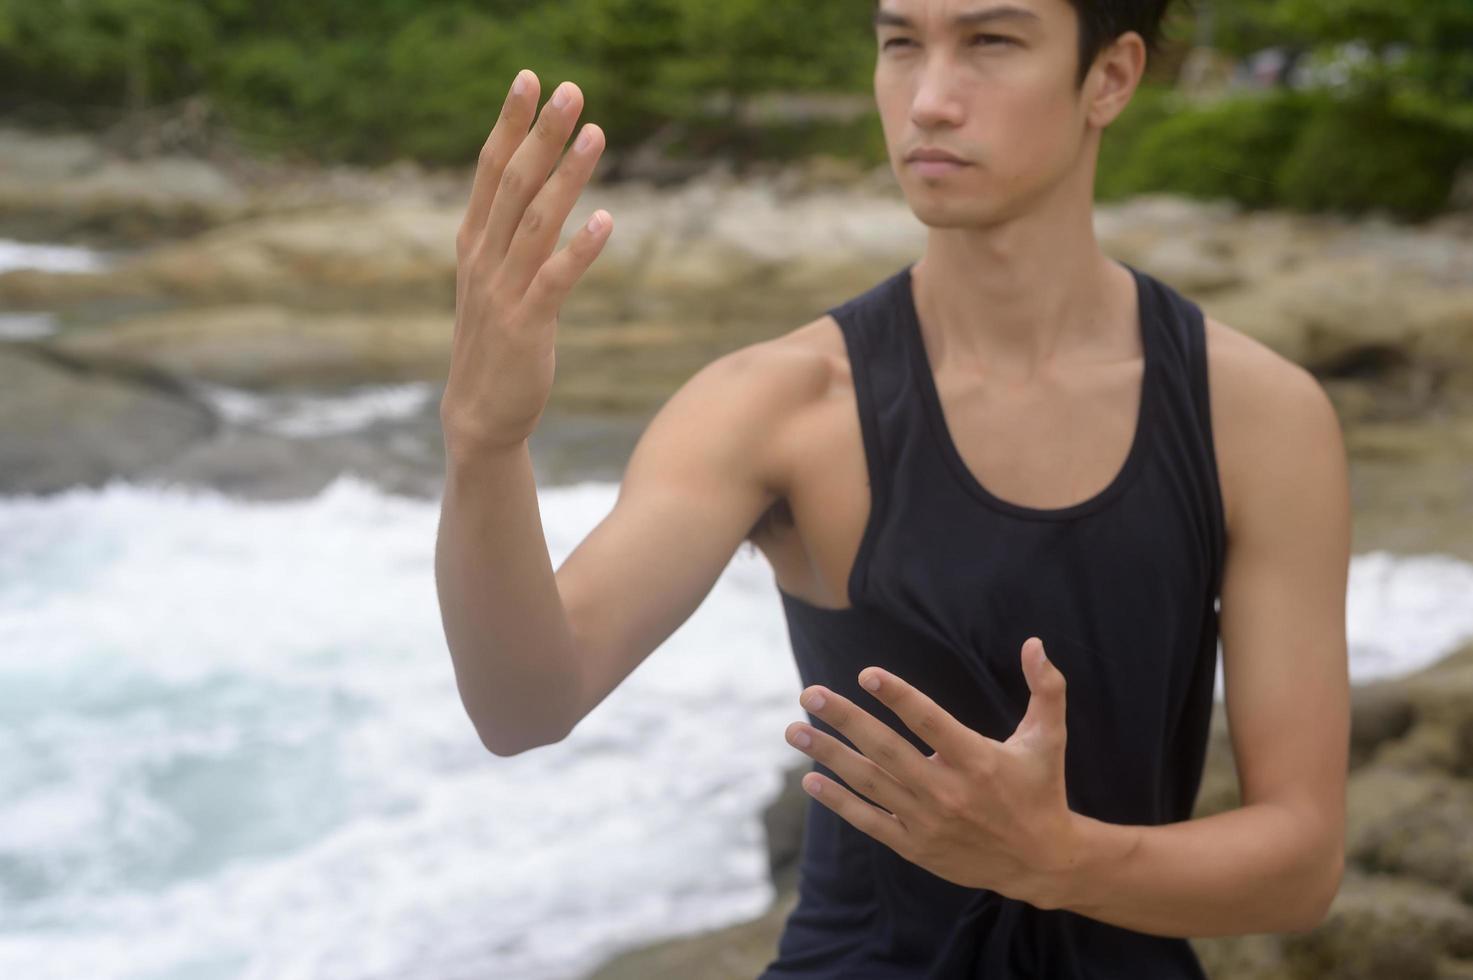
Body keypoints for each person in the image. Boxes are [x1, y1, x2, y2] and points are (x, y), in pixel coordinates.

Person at [434, 0, 1351, 976]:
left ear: (1110, 77)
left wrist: (1060, 857)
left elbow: (1299, 861)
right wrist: (486, 445)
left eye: (990, 43)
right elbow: (524, 701)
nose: (930, 99)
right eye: (900, 43)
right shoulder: (779, 405)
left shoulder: (1258, 418)